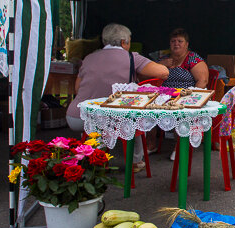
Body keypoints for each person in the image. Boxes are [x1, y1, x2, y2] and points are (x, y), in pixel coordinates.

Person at [67, 24, 168, 169]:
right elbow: (163, 72)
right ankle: (135, 162)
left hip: (76, 117)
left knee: (99, 125)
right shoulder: (131, 57)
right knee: (135, 120)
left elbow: (78, 88)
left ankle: (96, 160)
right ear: (123, 42)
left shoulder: (89, 58)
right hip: (110, 118)